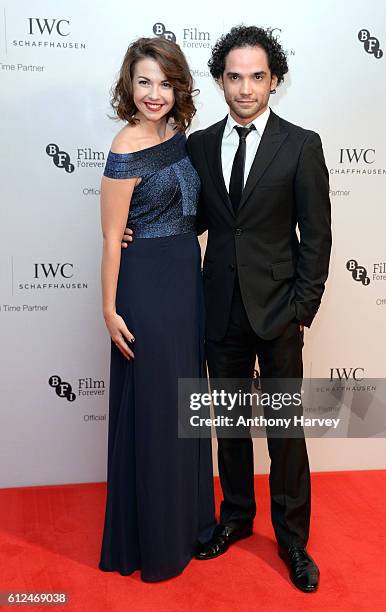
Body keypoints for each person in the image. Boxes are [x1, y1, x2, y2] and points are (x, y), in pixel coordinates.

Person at [122, 26, 331, 592]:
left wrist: (301, 310)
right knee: (231, 427)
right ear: (219, 81)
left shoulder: (301, 145)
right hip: (217, 308)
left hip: (279, 310)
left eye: (256, 76)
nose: (245, 88)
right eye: (234, 77)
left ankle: (292, 541)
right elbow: (185, 213)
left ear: (274, 80)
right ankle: (236, 516)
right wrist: (128, 234)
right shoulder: (198, 145)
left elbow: (316, 236)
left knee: (285, 431)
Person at [98, 36, 216, 582]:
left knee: (183, 404)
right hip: (144, 285)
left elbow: (193, 209)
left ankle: (190, 522)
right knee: (154, 409)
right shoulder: (124, 147)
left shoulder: (178, 135)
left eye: (165, 83)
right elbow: (110, 238)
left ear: (178, 87)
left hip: (184, 281)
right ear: (130, 84)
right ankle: (154, 540)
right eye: (144, 81)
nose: (154, 93)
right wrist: (108, 308)